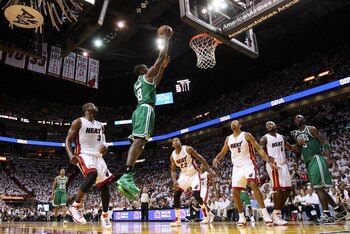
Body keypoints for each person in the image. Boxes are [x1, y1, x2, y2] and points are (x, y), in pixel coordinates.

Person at [116, 26, 172, 201]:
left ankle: (129, 176)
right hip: (146, 109)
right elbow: (159, 58)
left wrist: (162, 68)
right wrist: (166, 40)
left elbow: (157, 80)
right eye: (147, 68)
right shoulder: (145, 76)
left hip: (141, 110)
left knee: (140, 143)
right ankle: (126, 175)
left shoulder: (139, 84)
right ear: (143, 70)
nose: (150, 69)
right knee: (139, 141)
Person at [212, 120, 274, 227]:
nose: (233, 123)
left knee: (253, 184)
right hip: (236, 167)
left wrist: (267, 159)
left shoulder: (246, 135)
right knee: (235, 192)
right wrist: (216, 158)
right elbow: (223, 152)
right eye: (232, 123)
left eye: (236, 122)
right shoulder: (229, 138)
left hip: (248, 164)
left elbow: (258, 148)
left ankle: (265, 214)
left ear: (240, 125)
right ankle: (241, 217)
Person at [65, 102, 114, 229]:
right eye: (92, 105)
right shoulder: (78, 122)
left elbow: (103, 143)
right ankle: (75, 206)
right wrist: (71, 155)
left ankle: (104, 215)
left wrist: (106, 148)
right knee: (92, 174)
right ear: (87, 108)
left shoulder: (100, 125)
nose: (95, 106)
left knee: (104, 187)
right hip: (84, 154)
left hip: (98, 156)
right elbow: (68, 139)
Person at [292, 115, 347, 223]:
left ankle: (326, 214)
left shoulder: (311, 129)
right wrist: (295, 162)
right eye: (296, 118)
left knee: (318, 188)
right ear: (294, 121)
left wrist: (329, 158)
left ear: (304, 119)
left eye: (300, 117)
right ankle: (339, 211)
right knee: (319, 189)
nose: (297, 118)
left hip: (316, 158)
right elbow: (298, 150)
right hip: (308, 162)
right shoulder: (296, 134)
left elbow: (325, 142)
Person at [169, 138, 215, 227]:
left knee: (196, 195)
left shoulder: (187, 149)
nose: (176, 140)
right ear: (172, 145)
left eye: (177, 139)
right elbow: (173, 171)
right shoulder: (173, 156)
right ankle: (178, 220)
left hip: (194, 174)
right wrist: (174, 181)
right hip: (183, 176)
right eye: (174, 140)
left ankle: (206, 216)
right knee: (176, 195)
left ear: (180, 142)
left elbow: (200, 158)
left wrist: (209, 170)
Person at [259, 121, 297, 225]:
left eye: (271, 123)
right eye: (267, 125)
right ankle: (276, 215)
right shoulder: (264, 138)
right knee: (279, 189)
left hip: (283, 164)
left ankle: (275, 213)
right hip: (273, 164)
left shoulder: (281, 137)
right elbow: (259, 151)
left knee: (288, 190)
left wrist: (299, 144)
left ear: (276, 125)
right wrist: (267, 159)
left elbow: (290, 147)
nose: (268, 125)